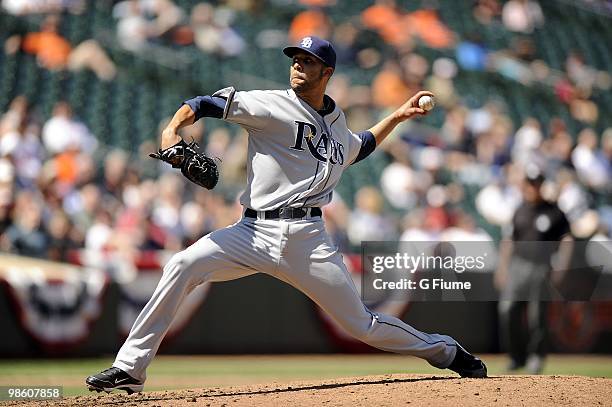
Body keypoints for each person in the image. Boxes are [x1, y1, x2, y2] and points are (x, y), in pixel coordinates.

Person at [86, 36, 487, 394]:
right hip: (251, 232)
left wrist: (397, 117)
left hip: (307, 238)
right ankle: (130, 368)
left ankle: (446, 351)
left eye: (307, 60)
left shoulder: (335, 121)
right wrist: (172, 132)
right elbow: (203, 104)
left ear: (326, 72)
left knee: (361, 325)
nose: (297, 64)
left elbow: (359, 147)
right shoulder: (270, 104)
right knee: (182, 264)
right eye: (295, 58)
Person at [495, 167, 571, 374]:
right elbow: (509, 240)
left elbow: (566, 240)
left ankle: (536, 357)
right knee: (507, 310)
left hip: (541, 266)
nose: (532, 187)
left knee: (537, 316)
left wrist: (561, 267)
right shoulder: (519, 210)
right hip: (518, 266)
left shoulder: (554, 211)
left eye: (536, 183)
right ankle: (515, 357)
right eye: (529, 183)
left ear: (541, 185)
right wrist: (502, 268)